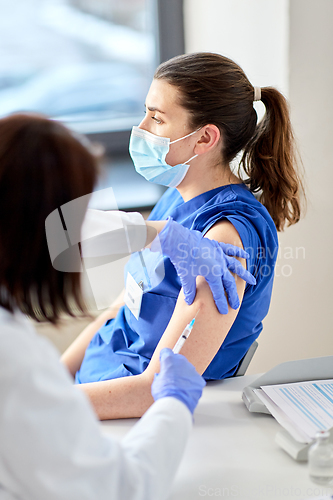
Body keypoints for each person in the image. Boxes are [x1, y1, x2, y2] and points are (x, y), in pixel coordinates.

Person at [62, 52, 305, 421]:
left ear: (204, 138)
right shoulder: (175, 197)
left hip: (125, 419)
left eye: (156, 118)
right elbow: (121, 309)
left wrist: (42, 403)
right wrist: (56, 375)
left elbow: (153, 391)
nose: (141, 128)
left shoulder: (227, 237)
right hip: (86, 393)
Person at [0, 112, 208, 500]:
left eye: (157, 117)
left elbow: (51, 227)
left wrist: (160, 234)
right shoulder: (12, 360)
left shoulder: (224, 218)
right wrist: (173, 406)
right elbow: (120, 488)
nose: (142, 128)